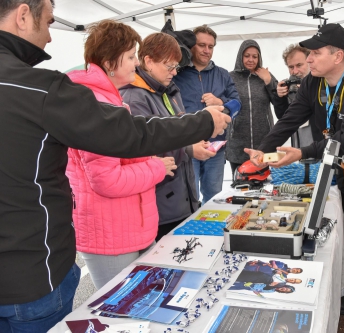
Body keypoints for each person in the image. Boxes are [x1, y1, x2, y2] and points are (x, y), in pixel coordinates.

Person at [0, 1, 229, 331]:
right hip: (34, 274)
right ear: (23, 15)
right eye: (48, 22)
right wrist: (201, 124)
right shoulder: (41, 89)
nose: (50, 37)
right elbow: (129, 137)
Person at [244, 23, 344, 315]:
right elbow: (290, 119)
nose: (309, 60)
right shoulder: (315, 81)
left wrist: (302, 152)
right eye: (308, 54)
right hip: (338, 159)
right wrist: (263, 148)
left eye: (315, 53)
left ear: (338, 56)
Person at [65, 21, 176, 289]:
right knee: (118, 314)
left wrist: (148, 160)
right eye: (130, 56)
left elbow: (128, 156)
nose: (136, 63)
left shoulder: (111, 100)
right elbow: (107, 179)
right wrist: (156, 168)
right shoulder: (94, 105)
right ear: (109, 61)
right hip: (111, 235)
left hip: (128, 228)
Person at [120, 32, 216, 240]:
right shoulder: (134, 97)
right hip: (161, 204)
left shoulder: (167, 91)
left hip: (181, 196)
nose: (174, 72)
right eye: (169, 66)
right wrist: (189, 149)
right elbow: (146, 149)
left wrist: (193, 139)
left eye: (176, 67)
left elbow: (177, 130)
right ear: (148, 61)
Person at [173, 24, 241, 204]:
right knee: (190, 196)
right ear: (191, 47)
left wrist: (221, 103)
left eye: (211, 47)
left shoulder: (223, 74)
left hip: (216, 147)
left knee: (214, 195)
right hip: (189, 147)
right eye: (202, 45)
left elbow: (237, 103)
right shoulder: (176, 74)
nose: (207, 50)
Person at [225, 39, 288, 176]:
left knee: (265, 184)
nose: (251, 60)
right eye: (247, 55)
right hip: (237, 143)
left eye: (255, 56)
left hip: (264, 143)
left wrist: (269, 82)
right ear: (240, 56)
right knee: (240, 184)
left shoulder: (267, 76)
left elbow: (281, 107)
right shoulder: (230, 77)